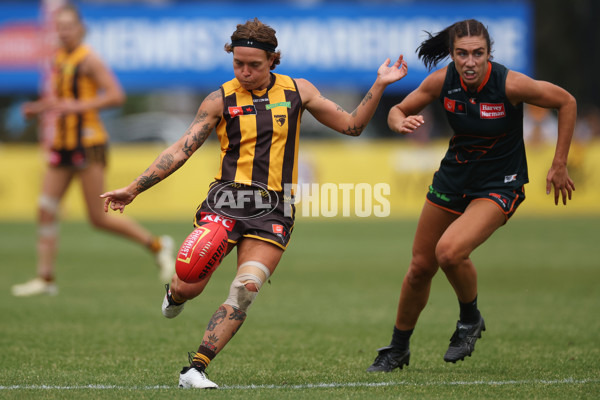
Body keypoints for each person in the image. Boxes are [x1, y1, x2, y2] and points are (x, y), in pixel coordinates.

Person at [101, 18, 407, 389]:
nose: (245, 72)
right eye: (238, 64)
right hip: (226, 202)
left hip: (276, 210)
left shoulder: (298, 91)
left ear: (273, 59)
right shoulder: (219, 99)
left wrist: (379, 84)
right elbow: (182, 148)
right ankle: (176, 292)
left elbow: (353, 126)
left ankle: (196, 368)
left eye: (254, 65)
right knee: (188, 286)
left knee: (245, 289)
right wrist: (135, 187)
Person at [367, 19, 576, 372]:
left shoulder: (509, 83)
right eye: (462, 54)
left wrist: (558, 164)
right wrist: (398, 121)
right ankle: (397, 349)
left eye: (478, 53)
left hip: (499, 184)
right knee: (420, 267)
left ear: (488, 54)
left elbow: (566, 102)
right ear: (452, 55)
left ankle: (469, 319)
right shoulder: (442, 81)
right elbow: (396, 110)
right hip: (453, 180)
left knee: (449, 252)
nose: (470, 62)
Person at [11, 5, 175, 297]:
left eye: (68, 26)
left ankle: (158, 245)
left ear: (80, 29)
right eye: (59, 27)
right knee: (45, 209)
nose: (63, 31)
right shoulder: (60, 57)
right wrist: (39, 108)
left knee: (98, 218)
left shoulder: (89, 59)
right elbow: (62, 99)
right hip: (62, 143)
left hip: (88, 143)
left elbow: (116, 96)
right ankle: (45, 279)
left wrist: (78, 107)